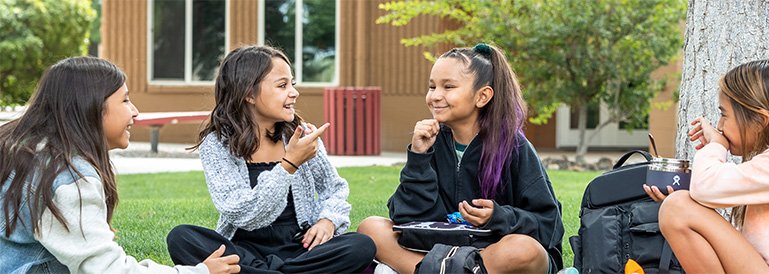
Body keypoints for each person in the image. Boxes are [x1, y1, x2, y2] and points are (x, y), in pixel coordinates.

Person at [0, 57, 240, 273]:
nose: (135, 111)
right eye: (125, 100)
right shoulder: (69, 177)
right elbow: (108, 269)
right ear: (91, 107)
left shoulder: (20, 149)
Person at [165, 45, 376, 273]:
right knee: (182, 237)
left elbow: (334, 189)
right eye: (282, 85)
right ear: (248, 93)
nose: (294, 93)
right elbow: (243, 214)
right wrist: (288, 166)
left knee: (361, 245)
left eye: (292, 84)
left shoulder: (301, 135)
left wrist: (328, 220)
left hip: (302, 246)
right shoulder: (218, 144)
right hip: (245, 248)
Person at [357, 44, 564, 274]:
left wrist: (498, 216)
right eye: (432, 86)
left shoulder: (514, 146)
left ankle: (436, 271)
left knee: (524, 250)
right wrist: (419, 158)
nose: (435, 96)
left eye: (448, 87)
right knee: (371, 227)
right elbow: (405, 217)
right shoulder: (431, 143)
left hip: (491, 252)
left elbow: (548, 224)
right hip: (439, 247)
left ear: (482, 96)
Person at [645, 59, 769, 273]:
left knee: (677, 208)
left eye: (724, 115)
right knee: (678, 205)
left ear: (760, 120)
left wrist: (716, 146)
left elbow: (707, 187)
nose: (719, 126)